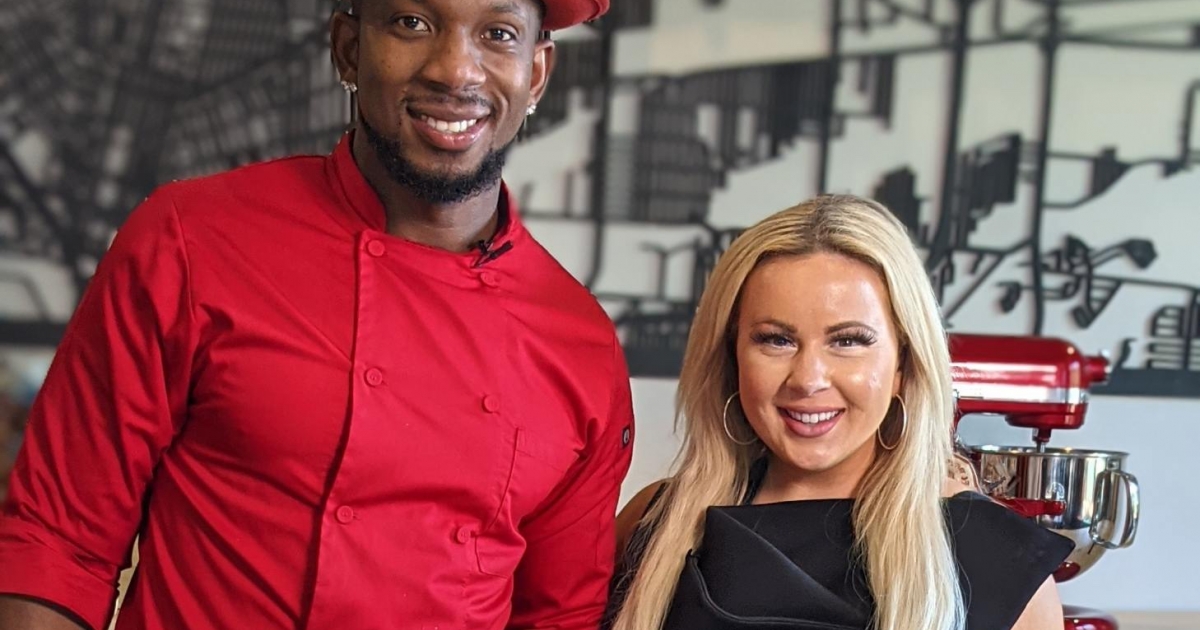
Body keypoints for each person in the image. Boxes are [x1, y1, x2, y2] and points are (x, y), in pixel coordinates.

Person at [0, 1, 635, 628]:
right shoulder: (190, 241)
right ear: (348, 49)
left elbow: (559, 619)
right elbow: (56, 543)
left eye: (498, 33)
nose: (454, 70)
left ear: (536, 74)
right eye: (412, 23)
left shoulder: (580, 345)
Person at [603, 195, 1072, 630]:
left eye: (848, 341)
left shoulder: (1002, 562)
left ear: (903, 364)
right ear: (732, 358)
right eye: (776, 340)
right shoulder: (654, 525)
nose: (808, 379)